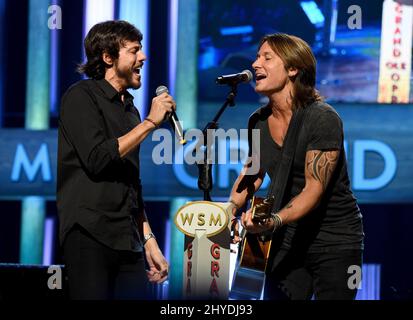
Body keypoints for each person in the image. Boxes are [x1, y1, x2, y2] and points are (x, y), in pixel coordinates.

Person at [229, 33, 364, 300]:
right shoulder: (257, 121)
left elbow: (314, 189)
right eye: (257, 56)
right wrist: (231, 208)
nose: (256, 64)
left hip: (334, 240)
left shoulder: (322, 118)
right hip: (286, 239)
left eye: (267, 57)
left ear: (293, 69)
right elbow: (253, 171)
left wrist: (274, 220)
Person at [57, 20, 173, 299]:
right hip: (89, 233)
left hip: (127, 237)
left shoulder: (130, 110)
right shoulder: (81, 96)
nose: (142, 57)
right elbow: (97, 158)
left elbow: (132, 184)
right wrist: (149, 124)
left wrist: (149, 241)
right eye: (134, 51)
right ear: (108, 57)